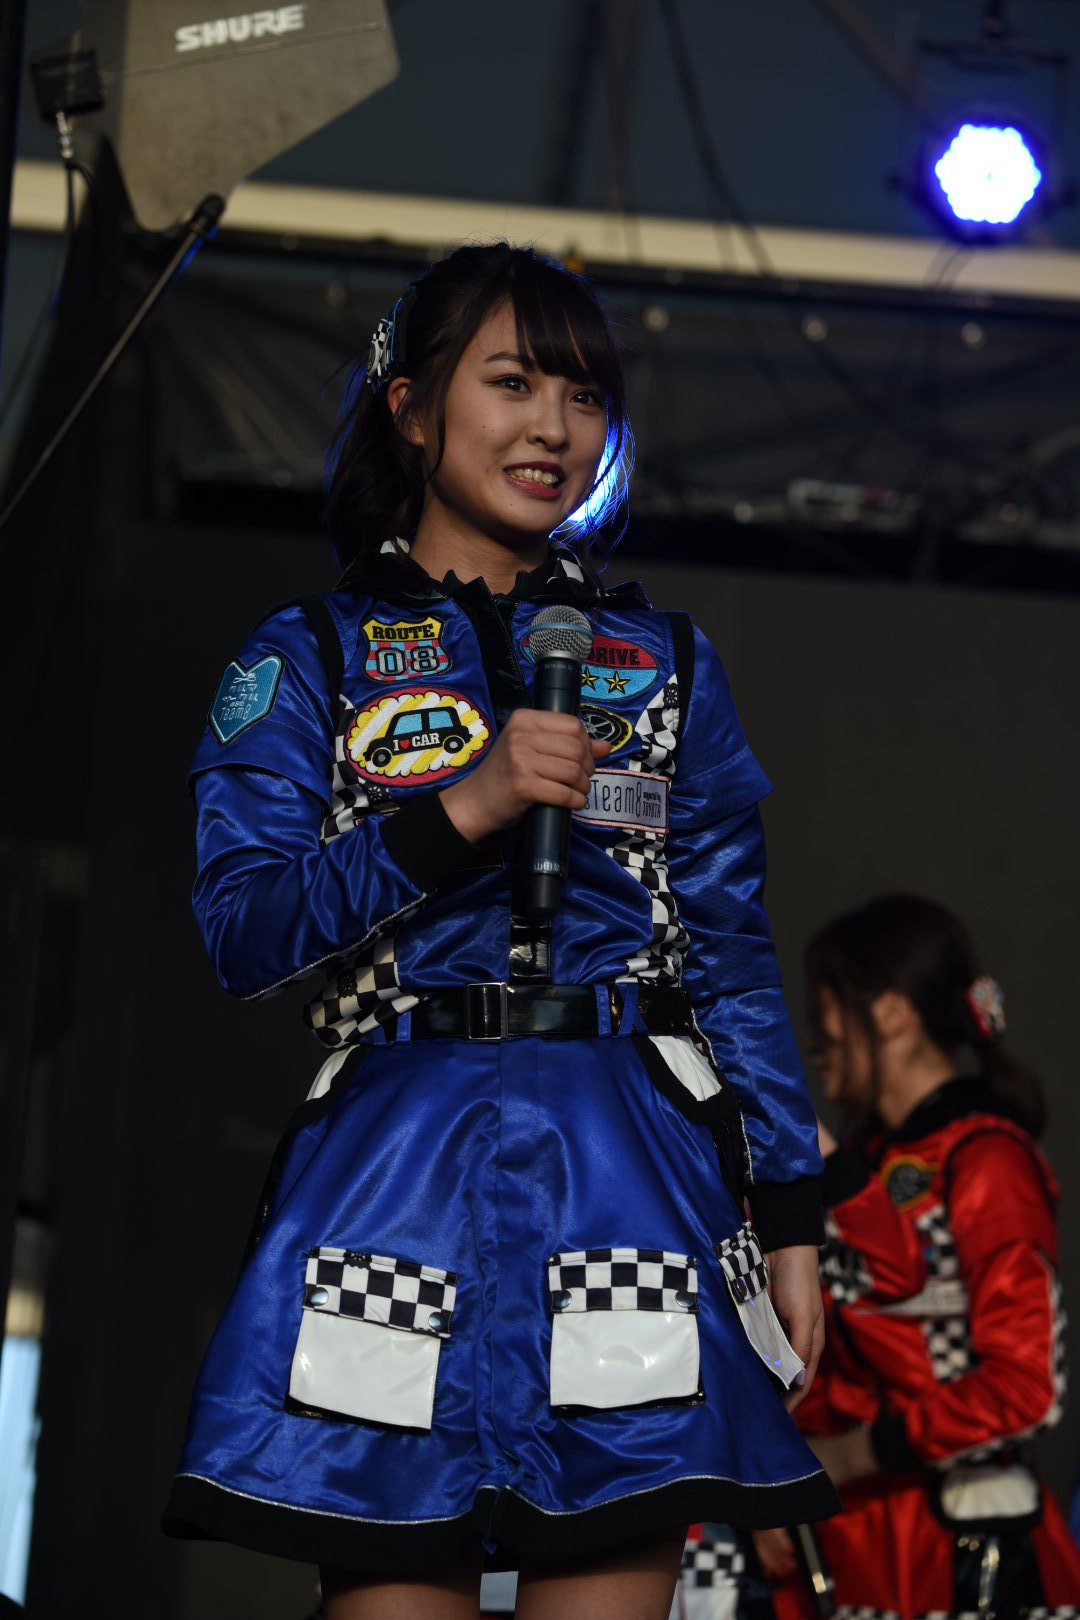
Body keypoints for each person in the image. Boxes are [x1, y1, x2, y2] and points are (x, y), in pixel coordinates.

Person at [162, 243, 836, 1619]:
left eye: (584, 395)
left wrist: (792, 1218)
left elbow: (732, 958)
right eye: (514, 382)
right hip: (393, 1186)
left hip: (630, 1181)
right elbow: (243, 932)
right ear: (411, 409)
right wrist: (460, 809)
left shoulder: (666, 664)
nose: (553, 428)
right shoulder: (309, 655)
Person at [759, 893, 1080, 1619]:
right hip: (852, 1550)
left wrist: (849, 1456)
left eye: (826, 1002)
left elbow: (1027, 1387)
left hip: (960, 1554)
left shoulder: (985, 1158)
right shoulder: (856, 1166)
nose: (815, 1032)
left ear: (891, 1013)